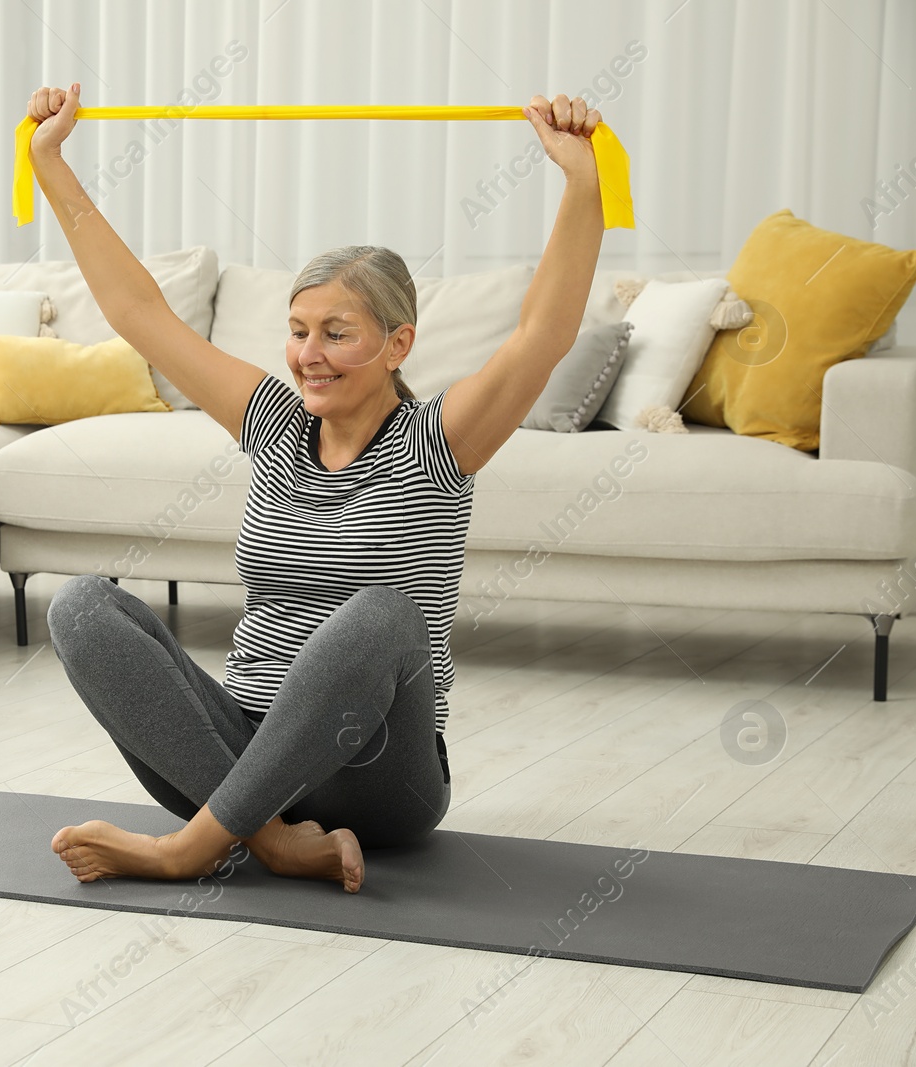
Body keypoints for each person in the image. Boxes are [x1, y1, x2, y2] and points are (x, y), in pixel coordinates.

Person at [30, 82, 606, 893]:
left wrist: (582, 183)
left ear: (397, 343)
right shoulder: (271, 419)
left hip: (380, 778)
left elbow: (543, 334)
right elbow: (139, 312)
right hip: (229, 757)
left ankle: (187, 850)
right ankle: (269, 838)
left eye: (338, 334)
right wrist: (49, 162)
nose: (309, 354)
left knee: (382, 616)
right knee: (80, 605)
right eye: (299, 331)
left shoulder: (437, 442)